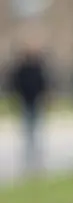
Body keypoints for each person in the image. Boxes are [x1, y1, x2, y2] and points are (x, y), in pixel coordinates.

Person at [6, 40, 50, 176]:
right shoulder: (21, 69)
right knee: (27, 126)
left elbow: (43, 83)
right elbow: (14, 83)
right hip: (25, 100)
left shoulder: (38, 67)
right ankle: (29, 150)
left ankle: (35, 149)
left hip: (36, 100)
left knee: (35, 125)